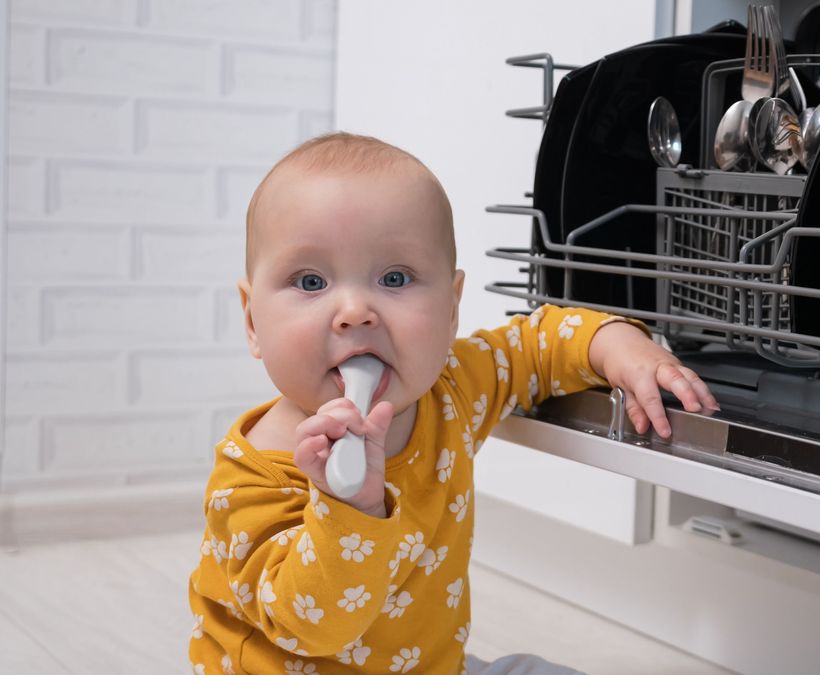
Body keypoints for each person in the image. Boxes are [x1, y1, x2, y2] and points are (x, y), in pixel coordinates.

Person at [187, 132, 718, 674]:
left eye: (395, 278)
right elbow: (312, 628)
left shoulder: (452, 389)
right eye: (310, 281)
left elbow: (534, 345)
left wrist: (616, 345)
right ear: (252, 322)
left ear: (451, 310)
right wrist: (349, 509)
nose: (355, 311)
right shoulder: (250, 481)